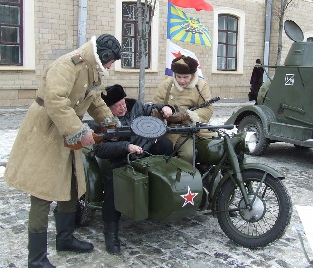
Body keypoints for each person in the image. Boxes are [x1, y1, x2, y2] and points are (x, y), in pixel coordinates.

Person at [4, 34, 122, 268]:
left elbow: (95, 99)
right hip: (47, 131)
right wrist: (79, 131)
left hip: (69, 131)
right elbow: (56, 101)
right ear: (104, 56)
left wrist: (109, 121)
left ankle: (65, 238)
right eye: (111, 61)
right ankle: (36, 259)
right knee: (42, 192)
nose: (111, 66)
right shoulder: (68, 65)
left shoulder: (93, 68)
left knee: (71, 184)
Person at [93, 84, 174, 254]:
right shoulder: (105, 120)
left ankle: (161, 194)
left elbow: (150, 108)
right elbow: (100, 149)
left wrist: (165, 108)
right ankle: (111, 231)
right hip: (122, 160)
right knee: (114, 186)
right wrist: (126, 146)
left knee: (166, 144)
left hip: (145, 151)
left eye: (122, 103)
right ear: (108, 108)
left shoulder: (135, 106)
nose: (122, 108)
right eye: (116, 106)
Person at [153, 55, 214, 164]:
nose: (181, 81)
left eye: (185, 77)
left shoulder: (201, 86)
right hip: (173, 130)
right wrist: (164, 112)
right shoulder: (167, 85)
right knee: (188, 155)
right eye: (178, 76)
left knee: (214, 149)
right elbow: (155, 106)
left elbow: (207, 110)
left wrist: (188, 115)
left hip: (197, 128)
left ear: (192, 75)